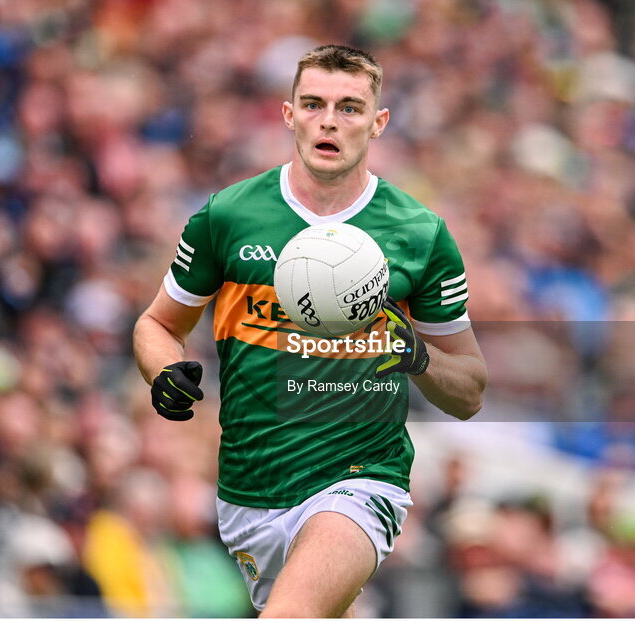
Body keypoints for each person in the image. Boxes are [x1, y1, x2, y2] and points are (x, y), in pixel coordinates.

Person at [133, 44, 487, 618]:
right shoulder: (228, 216)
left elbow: (469, 391)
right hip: (250, 489)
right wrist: (162, 371)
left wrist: (418, 357)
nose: (329, 121)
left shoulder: (420, 234)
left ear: (378, 122)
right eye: (314, 104)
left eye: (349, 108)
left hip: (361, 479)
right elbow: (157, 324)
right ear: (288, 114)